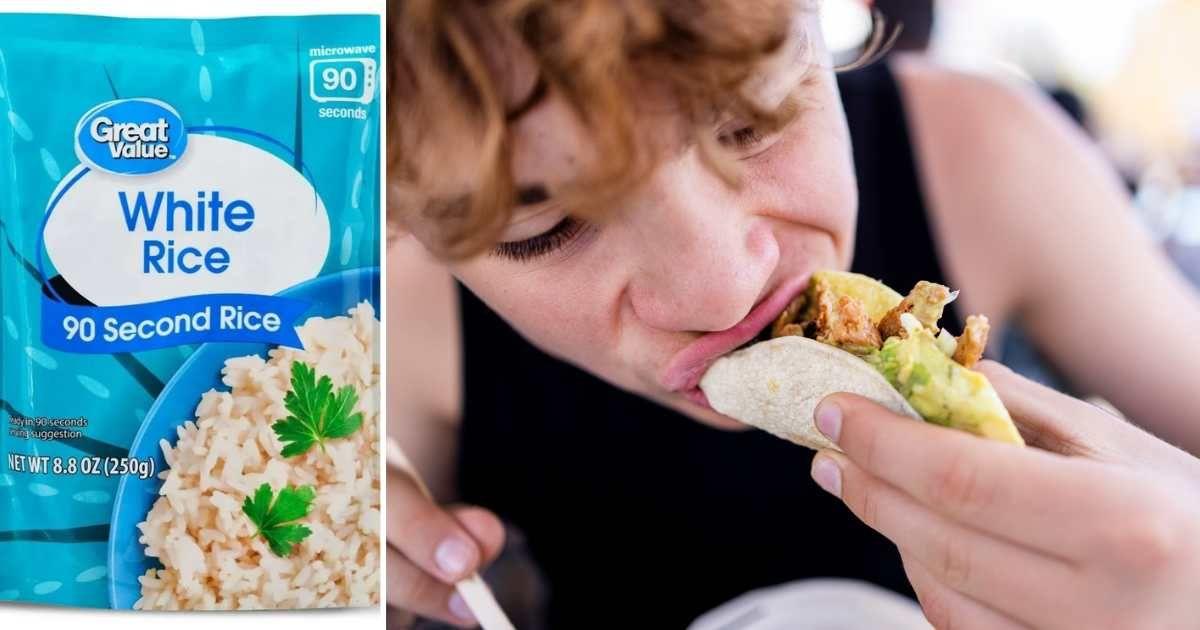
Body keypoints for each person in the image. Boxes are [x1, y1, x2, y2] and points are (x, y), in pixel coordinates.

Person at [388, 1, 1200, 628]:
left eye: (755, 116)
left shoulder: (989, 160)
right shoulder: (390, 337)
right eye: (545, 227)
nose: (720, 291)